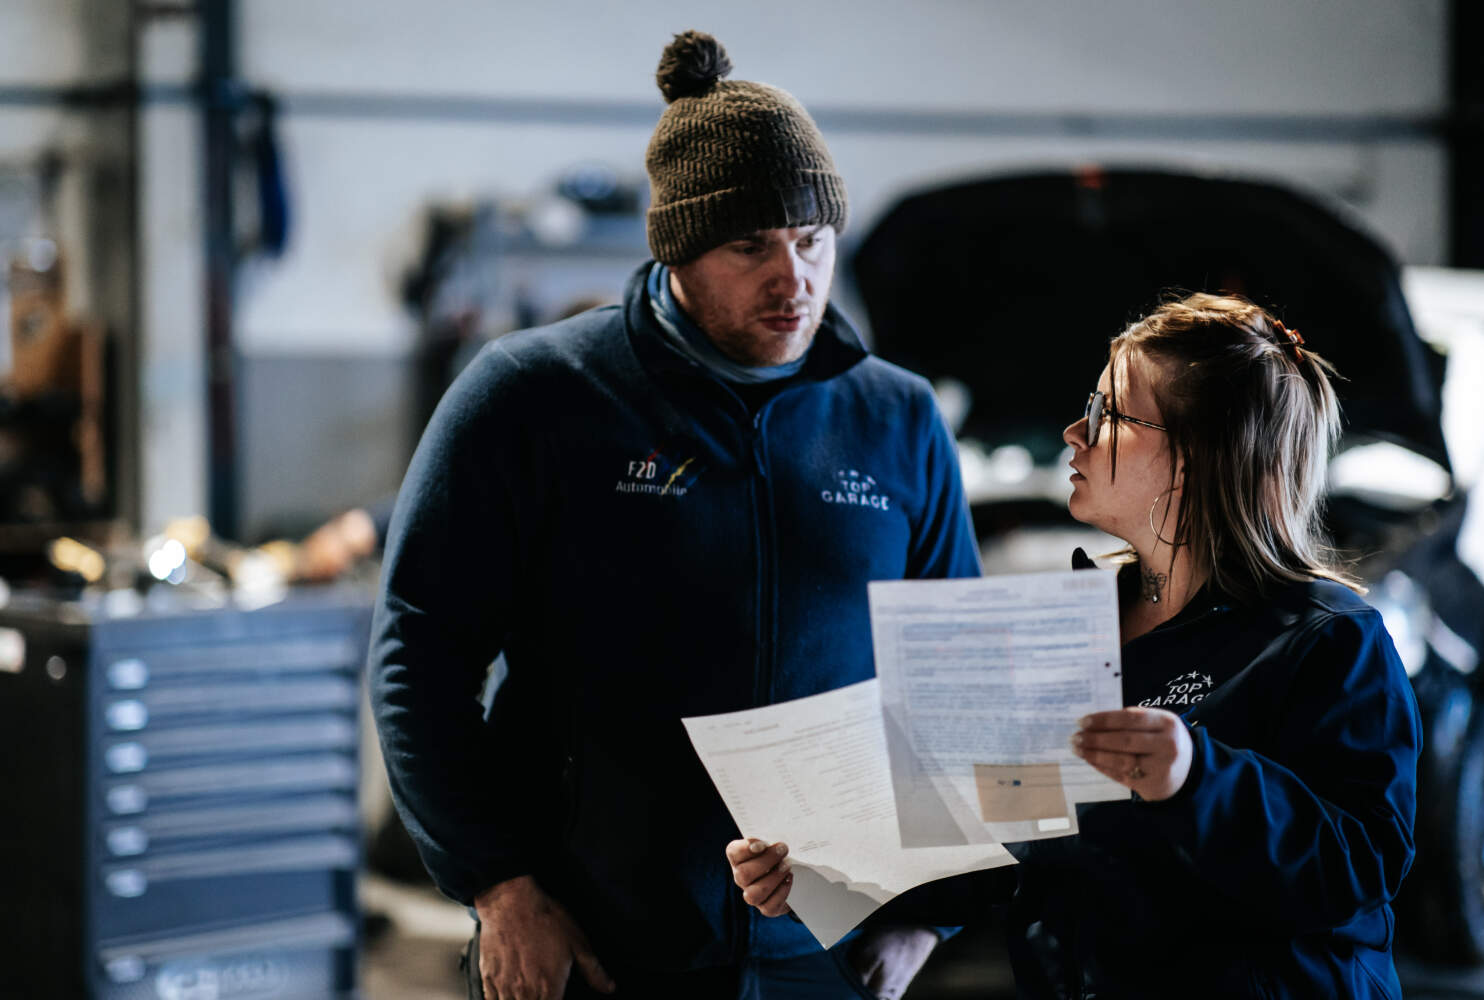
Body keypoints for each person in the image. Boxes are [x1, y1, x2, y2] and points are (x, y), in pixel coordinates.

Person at [370, 29, 986, 1000]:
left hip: (826, 956)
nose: (795, 278)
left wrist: (928, 914)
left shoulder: (894, 415)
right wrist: (500, 886)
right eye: (752, 246)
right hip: (592, 943)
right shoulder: (535, 395)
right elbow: (419, 653)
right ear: (680, 249)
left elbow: (954, 683)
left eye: (813, 240)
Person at [729, 293, 1422, 999]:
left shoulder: (1328, 635)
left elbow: (1359, 868)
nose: (1074, 432)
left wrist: (1198, 776)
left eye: (1108, 415)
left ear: (1193, 456)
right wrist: (830, 875)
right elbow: (1022, 830)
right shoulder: (1075, 620)